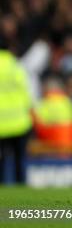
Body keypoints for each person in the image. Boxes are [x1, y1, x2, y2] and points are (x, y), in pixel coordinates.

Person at [0, 48, 32, 184]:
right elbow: (26, 91)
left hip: (1, 123)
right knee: (20, 159)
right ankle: (22, 189)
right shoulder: (15, 65)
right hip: (19, 121)